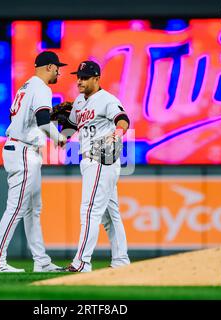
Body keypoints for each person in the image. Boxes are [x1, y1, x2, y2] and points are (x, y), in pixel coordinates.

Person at [0, 51, 68, 272]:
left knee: (33, 209)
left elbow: (22, 118)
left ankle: (41, 261)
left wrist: (50, 123)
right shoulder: (41, 87)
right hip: (24, 151)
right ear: (49, 67)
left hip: (23, 148)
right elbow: (43, 121)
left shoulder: (25, 86)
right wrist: (59, 138)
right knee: (16, 209)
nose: (58, 72)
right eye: (57, 68)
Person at [62, 60, 131, 272]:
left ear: (96, 78)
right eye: (78, 77)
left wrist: (117, 133)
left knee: (89, 211)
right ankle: (121, 262)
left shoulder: (107, 99)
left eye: (84, 77)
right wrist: (51, 124)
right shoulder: (79, 103)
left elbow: (123, 119)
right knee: (111, 215)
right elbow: (67, 132)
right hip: (89, 161)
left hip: (101, 157)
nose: (79, 81)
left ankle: (82, 262)